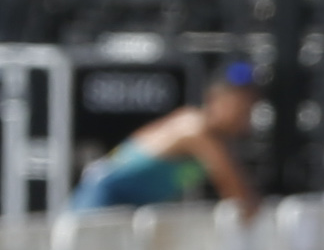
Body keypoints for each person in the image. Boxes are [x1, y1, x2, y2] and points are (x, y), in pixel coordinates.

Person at [72, 61, 261, 216]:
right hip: (101, 199)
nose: (244, 116)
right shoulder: (194, 129)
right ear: (214, 99)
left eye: (249, 109)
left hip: (128, 208)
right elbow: (237, 192)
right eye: (240, 107)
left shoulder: (219, 140)